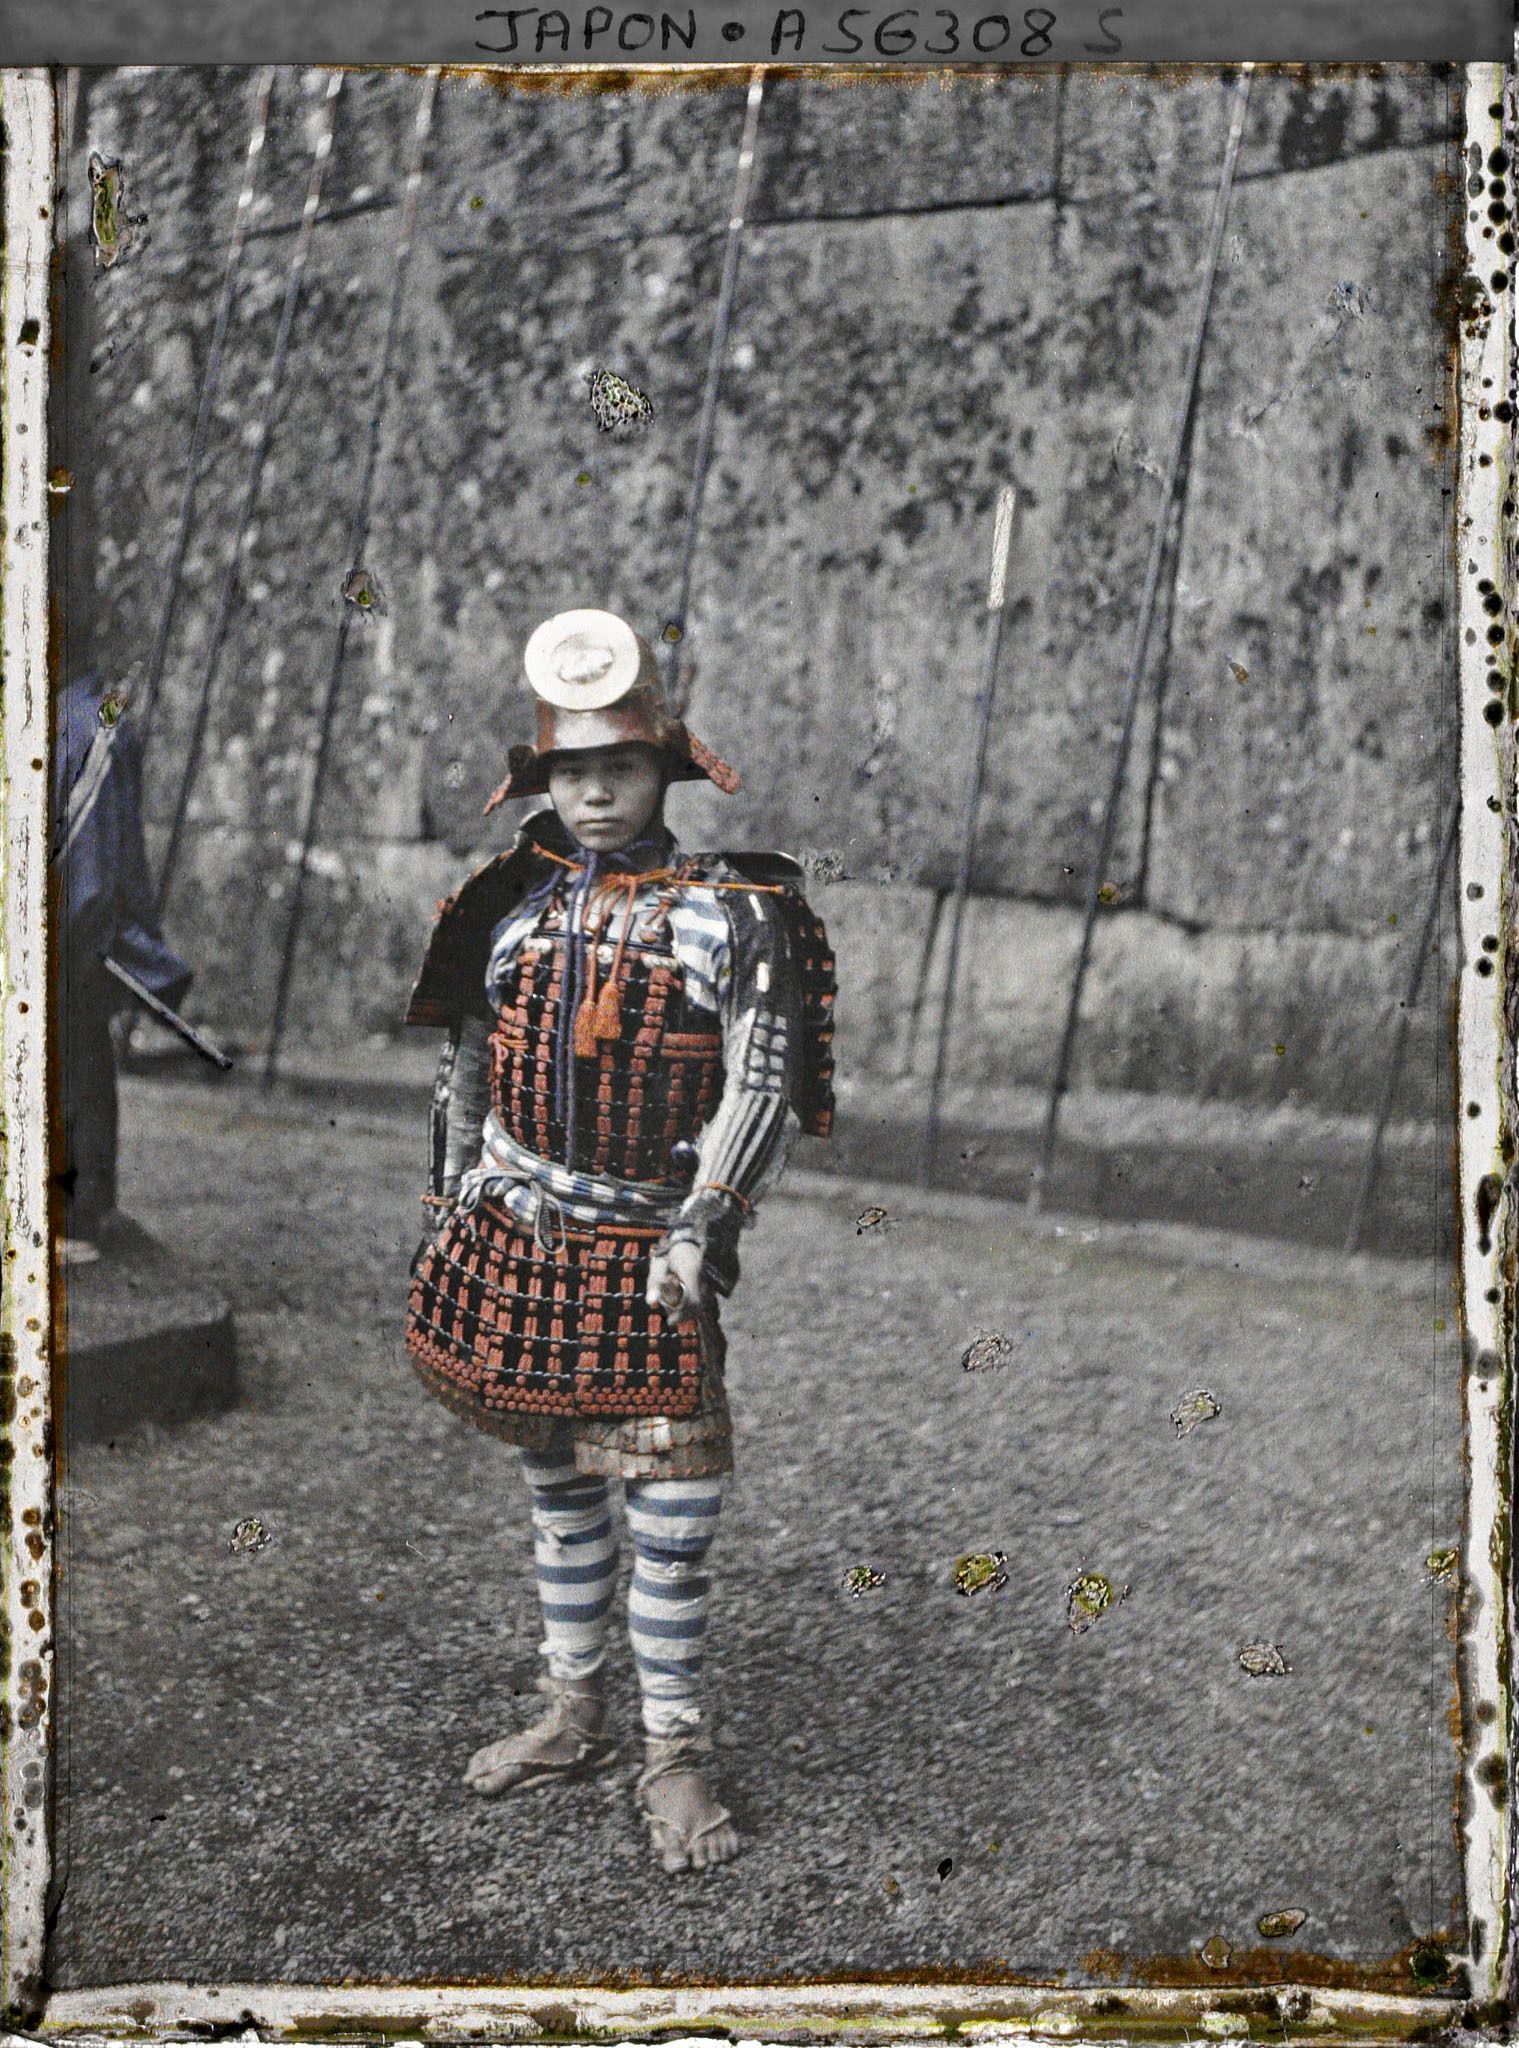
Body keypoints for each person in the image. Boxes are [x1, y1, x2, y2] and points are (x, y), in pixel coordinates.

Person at [403, 608, 834, 1873]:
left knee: (678, 1510)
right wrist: (449, 1207)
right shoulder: (508, 905)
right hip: (522, 1230)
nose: (593, 790)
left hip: (651, 1248)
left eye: (621, 767)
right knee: (558, 1490)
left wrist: (708, 1216)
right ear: (538, 782)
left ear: (668, 772)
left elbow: (758, 1083)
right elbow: (466, 1065)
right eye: (566, 771)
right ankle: (575, 1710)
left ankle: (676, 1749)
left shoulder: (736, 912)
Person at [51, 672, 193, 1263]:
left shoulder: (83, 725)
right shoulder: (91, 718)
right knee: (82, 1059)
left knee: (75, 1060)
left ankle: (81, 1217)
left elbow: (92, 860)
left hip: (75, 922)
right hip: (84, 920)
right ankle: (84, 1211)